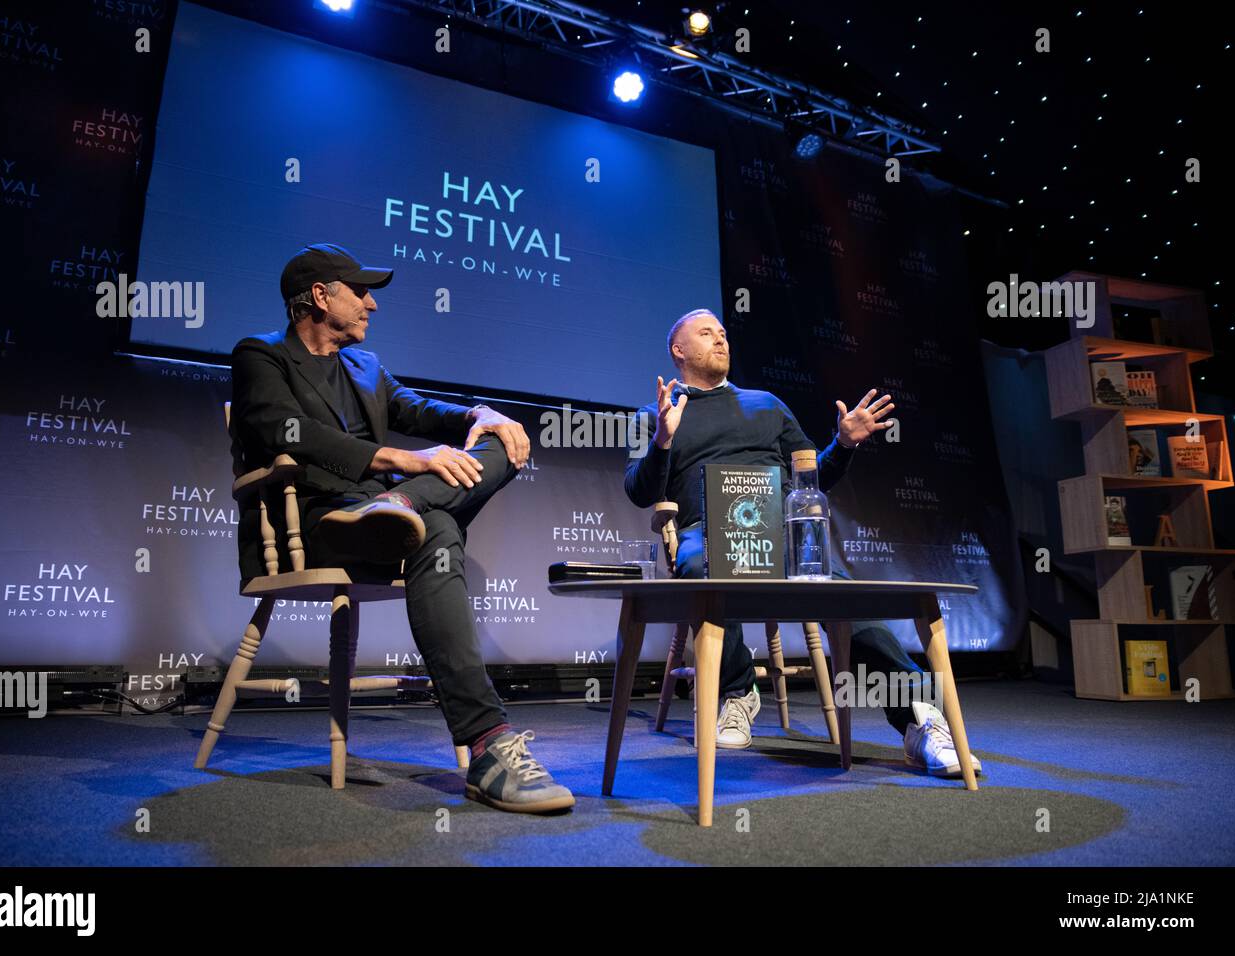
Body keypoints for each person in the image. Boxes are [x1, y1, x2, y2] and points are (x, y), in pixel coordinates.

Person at [230, 242, 574, 812]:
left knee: (495, 453)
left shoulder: (366, 365)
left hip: (387, 519)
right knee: (436, 524)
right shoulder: (261, 355)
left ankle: (488, 743)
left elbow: (419, 410)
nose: (372, 304)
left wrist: (477, 415)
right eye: (359, 291)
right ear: (320, 296)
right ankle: (490, 743)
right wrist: (401, 460)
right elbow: (284, 433)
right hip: (319, 524)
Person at [624, 308, 982, 777]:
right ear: (678, 350)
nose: (721, 340)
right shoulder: (655, 415)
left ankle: (920, 720)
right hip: (706, 537)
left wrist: (844, 443)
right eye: (707, 333)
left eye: (724, 333)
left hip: (782, 540)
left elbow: (811, 477)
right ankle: (737, 692)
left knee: (847, 597)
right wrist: (663, 443)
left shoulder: (767, 405)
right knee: (697, 563)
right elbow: (639, 491)